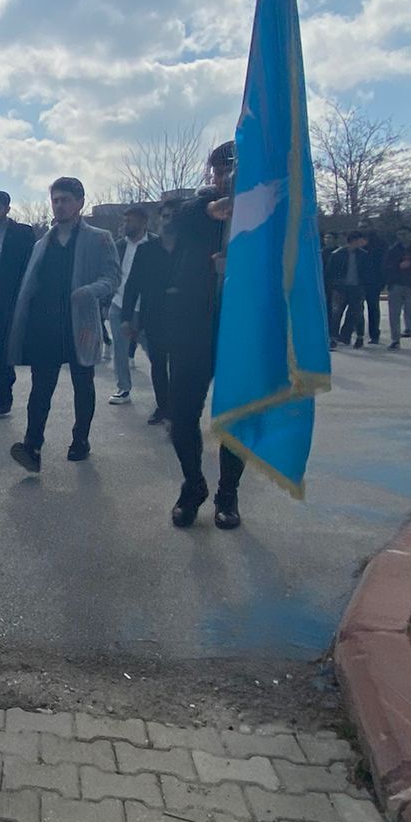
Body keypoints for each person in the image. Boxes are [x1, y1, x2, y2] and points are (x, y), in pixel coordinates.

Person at [6, 178, 120, 473]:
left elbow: (112, 277)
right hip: (45, 325)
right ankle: (32, 447)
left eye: (66, 200)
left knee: (83, 384)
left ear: (80, 202)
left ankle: (80, 440)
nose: (60, 205)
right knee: (40, 388)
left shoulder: (99, 238)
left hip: (80, 324)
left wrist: (90, 291)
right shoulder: (42, 243)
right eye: (55, 200)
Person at [165, 141, 245, 531]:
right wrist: (213, 210)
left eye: (233, 168)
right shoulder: (198, 208)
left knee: (236, 417)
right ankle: (193, 484)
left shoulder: (262, 214)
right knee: (181, 415)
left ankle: (227, 495)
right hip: (193, 327)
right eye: (220, 169)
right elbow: (179, 220)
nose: (225, 176)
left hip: (239, 329)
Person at [0, 190, 36, 418]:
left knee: (2, 349)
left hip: (10, 299)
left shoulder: (22, 233)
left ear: (7, 209)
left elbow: (30, 264)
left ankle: (3, 394)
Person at [119, 198, 178, 425]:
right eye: (166, 216)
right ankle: (163, 407)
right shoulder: (147, 250)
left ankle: (179, 410)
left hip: (184, 318)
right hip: (153, 316)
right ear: (159, 219)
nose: (169, 221)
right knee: (158, 364)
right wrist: (126, 318)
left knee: (181, 367)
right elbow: (132, 285)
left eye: (175, 217)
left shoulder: (190, 248)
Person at [109, 205, 150, 402]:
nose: (126, 224)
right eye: (124, 221)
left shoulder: (155, 245)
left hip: (146, 309)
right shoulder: (117, 246)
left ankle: (167, 391)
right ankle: (123, 388)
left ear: (143, 222)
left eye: (130, 221)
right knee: (120, 351)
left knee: (155, 351)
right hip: (119, 305)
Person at [326, 231, 368, 349]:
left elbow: (368, 272)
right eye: (360, 240)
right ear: (354, 240)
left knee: (357, 313)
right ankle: (333, 337)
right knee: (336, 313)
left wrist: (365, 286)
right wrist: (332, 286)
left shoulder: (363, 255)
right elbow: (329, 272)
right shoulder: (337, 254)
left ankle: (358, 337)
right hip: (340, 288)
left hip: (357, 288)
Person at [359, 227, 385, 343]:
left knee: (373, 308)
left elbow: (382, 265)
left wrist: (381, 281)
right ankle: (359, 332)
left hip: (373, 282)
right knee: (358, 308)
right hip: (359, 282)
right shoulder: (358, 244)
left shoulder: (379, 246)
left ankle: (374, 334)